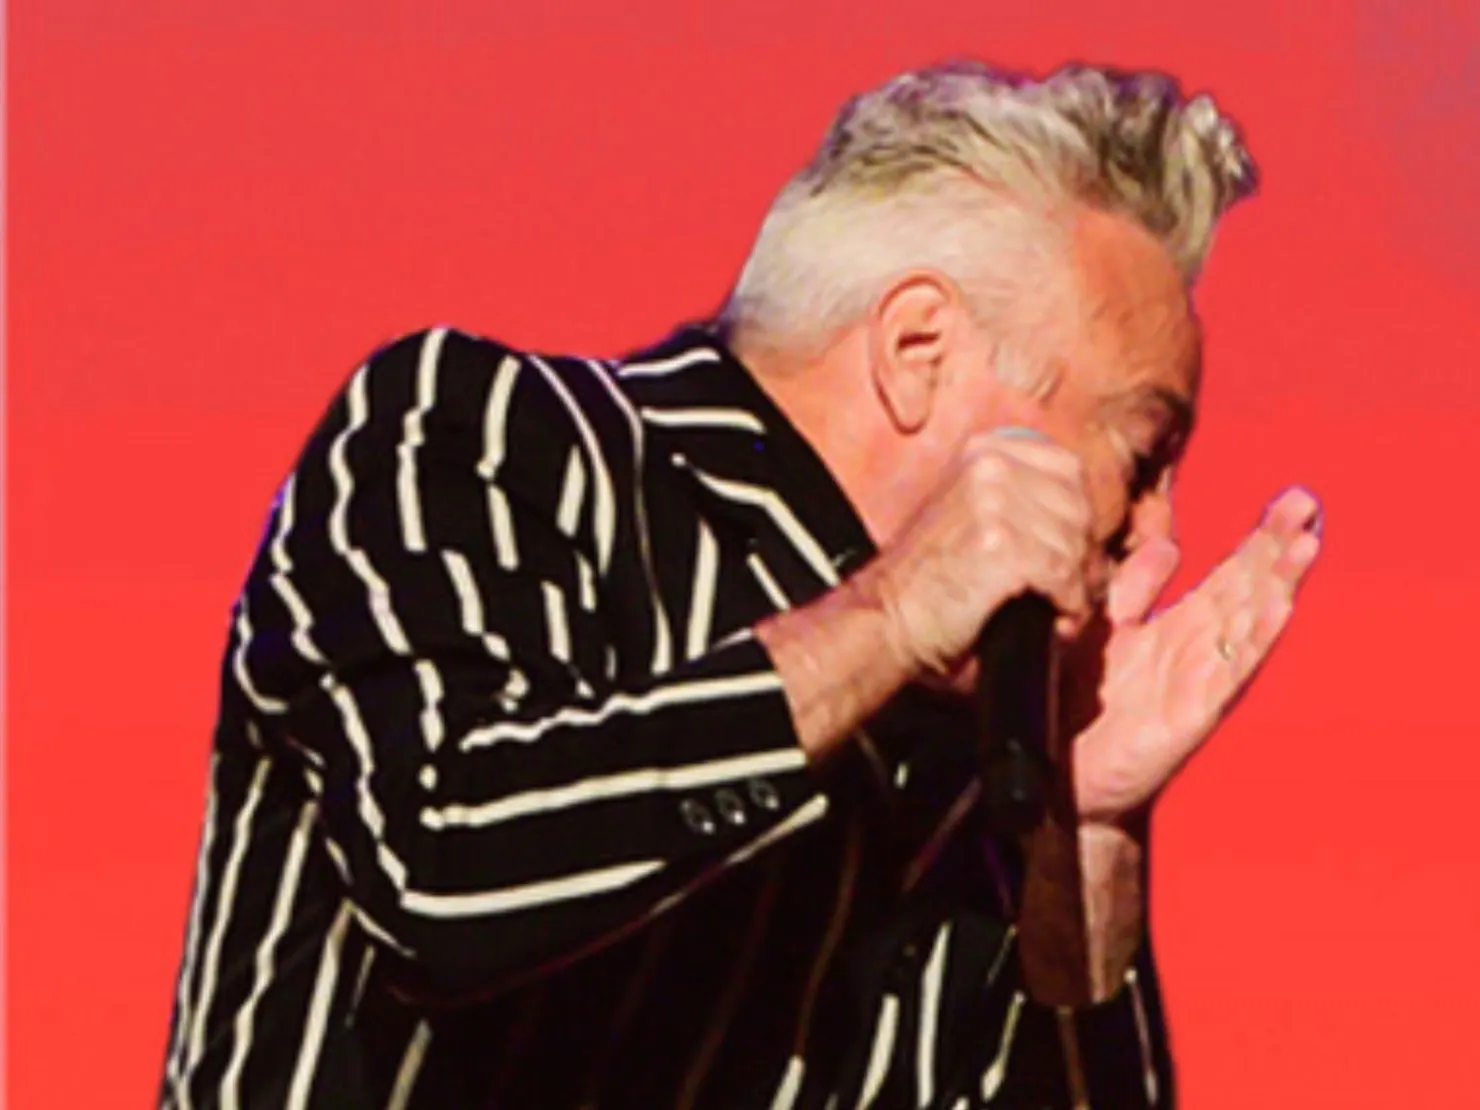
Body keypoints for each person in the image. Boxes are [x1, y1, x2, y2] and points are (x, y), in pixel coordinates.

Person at [158, 60, 1322, 1110]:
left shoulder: (994, 765)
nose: (1155, 534)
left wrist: (1092, 840)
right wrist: (887, 618)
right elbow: (448, 864)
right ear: (919, 352)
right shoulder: (483, 437)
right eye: (1144, 455)